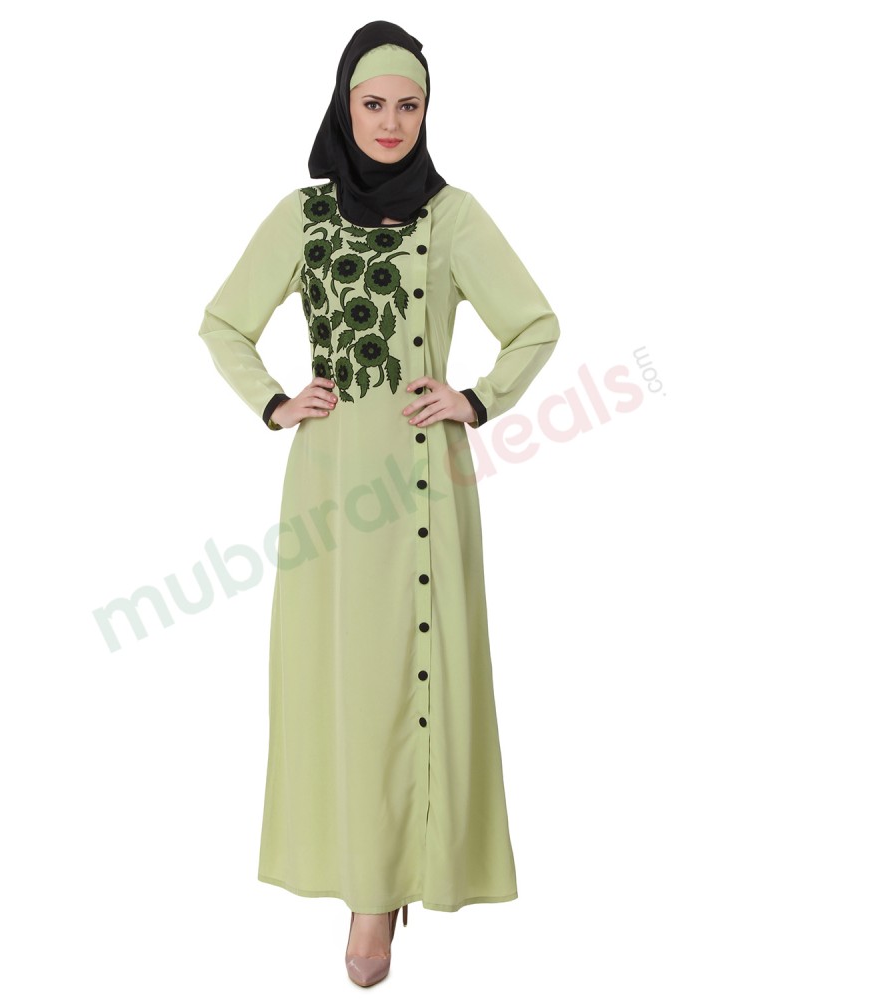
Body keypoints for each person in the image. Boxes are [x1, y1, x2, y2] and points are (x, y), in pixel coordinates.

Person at [197, 20, 561, 987]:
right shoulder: (304, 217)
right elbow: (224, 322)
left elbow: (535, 324)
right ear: (344, 107)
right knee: (350, 680)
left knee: (419, 669)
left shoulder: (454, 216)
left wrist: (476, 398)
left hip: (425, 480)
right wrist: (275, 401)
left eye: (409, 105)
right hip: (329, 483)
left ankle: (407, 881)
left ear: (427, 112)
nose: (391, 123)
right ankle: (367, 886)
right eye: (373, 104)